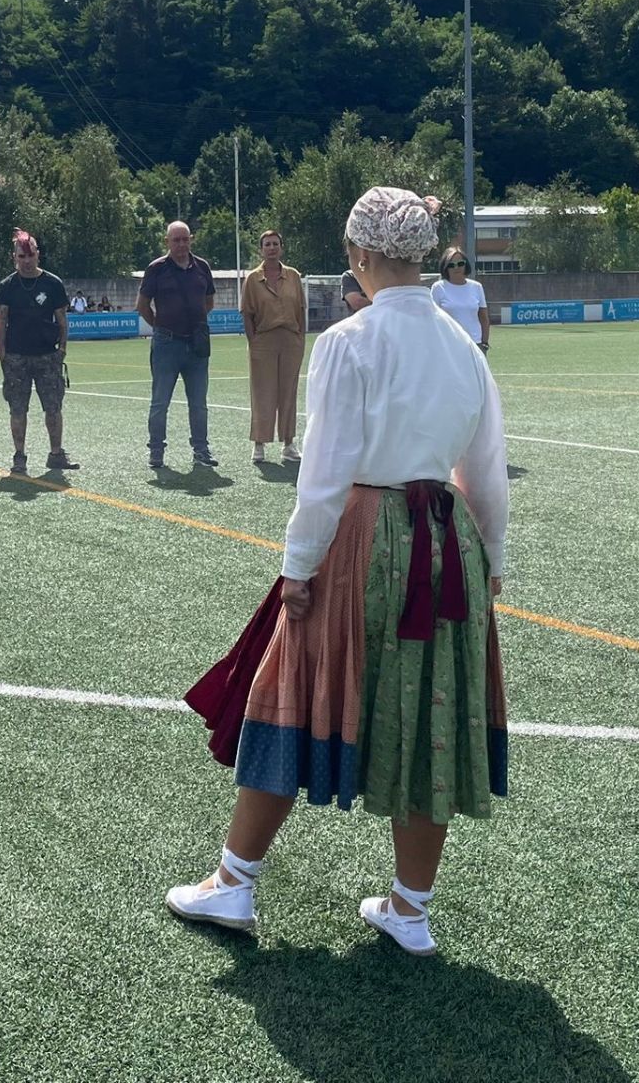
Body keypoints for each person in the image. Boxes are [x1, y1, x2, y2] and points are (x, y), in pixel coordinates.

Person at [170, 188, 509, 956]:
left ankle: (234, 881)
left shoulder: (350, 340)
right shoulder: (463, 346)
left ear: (360, 254)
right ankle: (409, 910)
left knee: (285, 688)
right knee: (429, 713)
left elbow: (324, 471)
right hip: (447, 542)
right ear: (421, 255)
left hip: (363, 536)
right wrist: (493, 561)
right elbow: (485, 471)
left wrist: (297, 567)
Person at [0, 229, 75, 474]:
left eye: (30, 255)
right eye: (21, 256)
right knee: (18, 410)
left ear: (38, 255)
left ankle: (56, 454)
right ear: (14, 257)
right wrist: (3, 356)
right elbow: (0, 322)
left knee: (53, 408)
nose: (26, 261)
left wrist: (62, 349)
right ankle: (19, 456)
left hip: (47, 357)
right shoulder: (6, 286)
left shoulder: (52, 283)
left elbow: (62, 320)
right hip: (16, 358)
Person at [137, 221, 216, 469]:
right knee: (160, 402)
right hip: (166, 344)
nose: (181, 245)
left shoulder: (202, 267)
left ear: (191, 239)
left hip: (196, 346)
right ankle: (156, 450)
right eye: (176, 240)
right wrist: (160, 326)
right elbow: (142, 306)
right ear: (167, 242)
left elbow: (209, 302)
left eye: (185, 239)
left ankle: (201, 450)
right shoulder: (156, 269)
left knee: (199, 403)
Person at [241, 229, 305, 465]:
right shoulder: (252, 279)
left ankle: (289, 443)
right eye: (267, 244)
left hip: (290, 339)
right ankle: (259, 444)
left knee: (288, 392)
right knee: (263, 392)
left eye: (275, 243)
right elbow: (246, 313)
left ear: (282, 247)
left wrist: (300, 337)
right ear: (261, 249)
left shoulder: (294, 276)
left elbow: (300, 310)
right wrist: (253, 341)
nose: (271, 248)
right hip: (263, 340)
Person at [432, 248, 490, 353]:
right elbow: (432, 319)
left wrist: (484, 343)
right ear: (445, 268)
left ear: (465, 265)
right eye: (451, 265)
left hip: (475, 345)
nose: (456, 267)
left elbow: (484, 318)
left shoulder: (477, 287)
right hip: (448, 345)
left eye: (460, 263)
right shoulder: (438, 288)